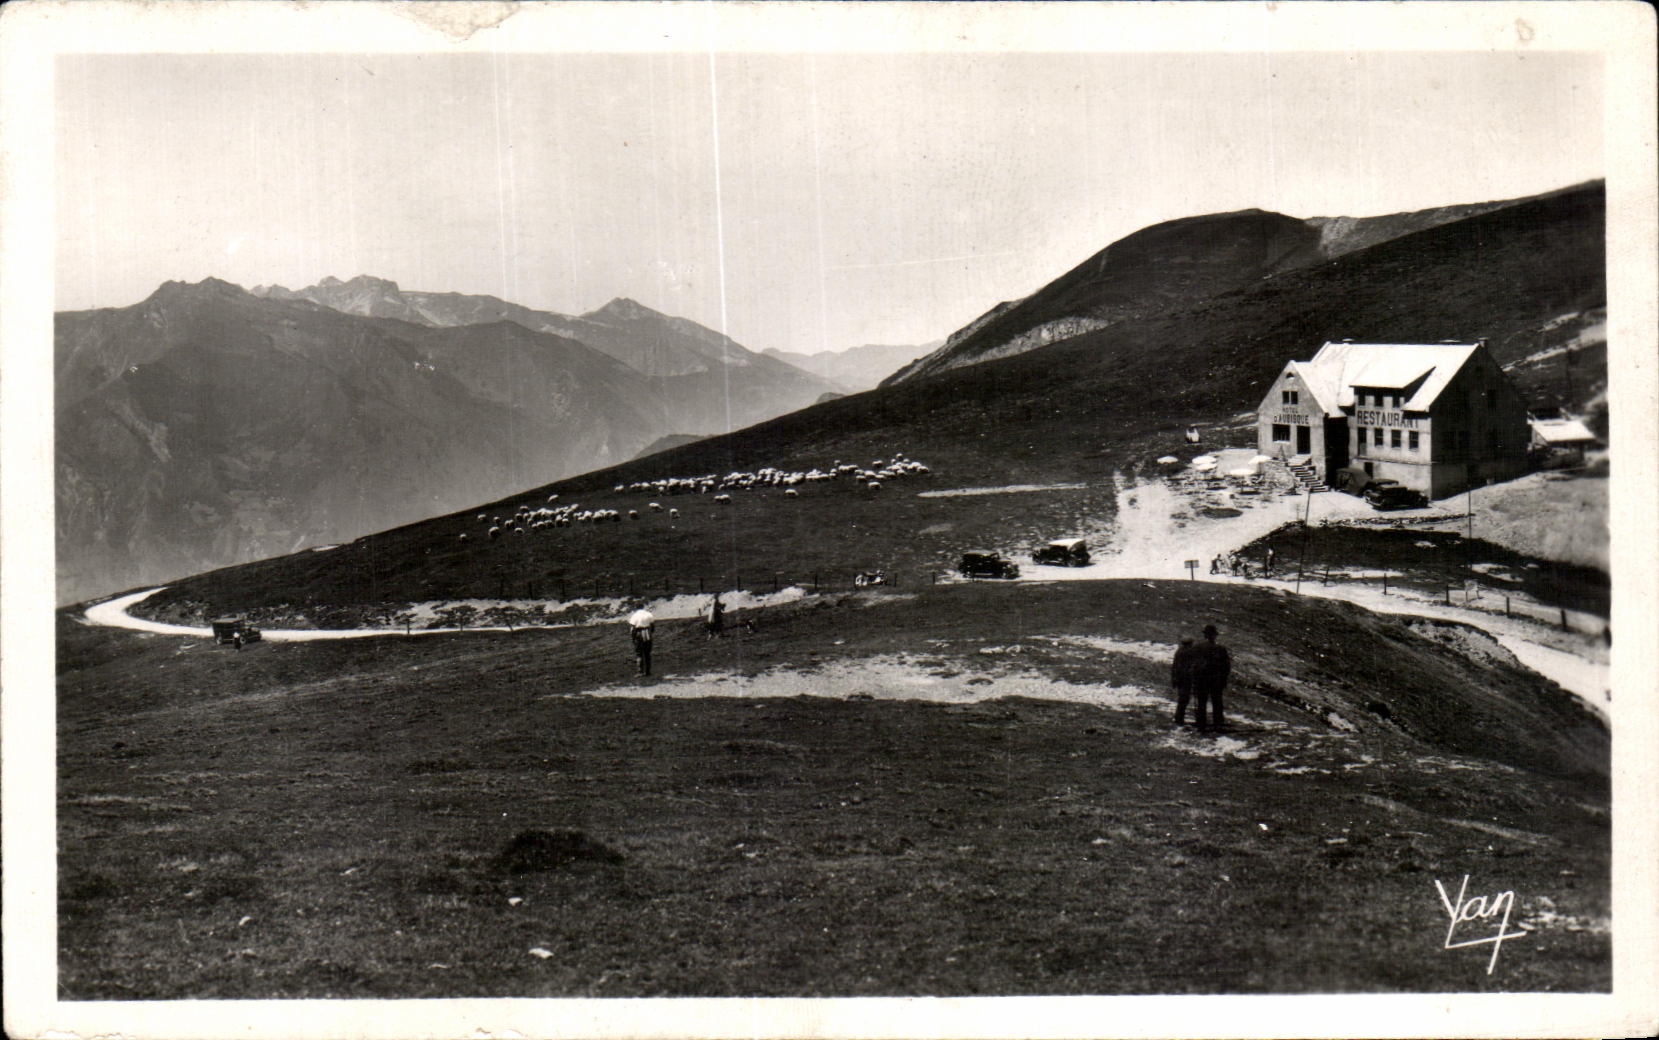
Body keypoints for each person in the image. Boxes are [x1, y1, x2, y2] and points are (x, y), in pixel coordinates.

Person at [1191, 623, 1232, 733]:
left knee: (1201, 703)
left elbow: (1193, 665)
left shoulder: (1197, 648)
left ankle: (1201, 725)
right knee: (1217, 703)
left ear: (1205, 635)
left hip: (1201, 680)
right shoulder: (1220, 649)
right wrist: (1223, 679)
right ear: (1214, 636)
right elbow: (1226, 666)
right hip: (1215, 680)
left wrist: (1194, 679)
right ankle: (1218, 725)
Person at [1171, 637, 1199, 726]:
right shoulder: (1188, 653)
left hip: (1180, 679)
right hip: (1185, 679)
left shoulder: (1179, 652)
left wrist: (1174, 679)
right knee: (1184, 699)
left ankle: (1179, 717)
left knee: (1182, 699)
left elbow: (1174, 667)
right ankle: (1179, 718)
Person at [627, 604, 655, 677]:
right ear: (643, 607)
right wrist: (650, 633)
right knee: (647, 653)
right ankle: (648, 671)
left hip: (639, 634)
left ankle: (640, 672)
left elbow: (632, 629)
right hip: (647, 633)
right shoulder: (649, 614)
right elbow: (652, 626)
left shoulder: (634, 616)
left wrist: (633, 638)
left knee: (639, 654)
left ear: (636, 608)